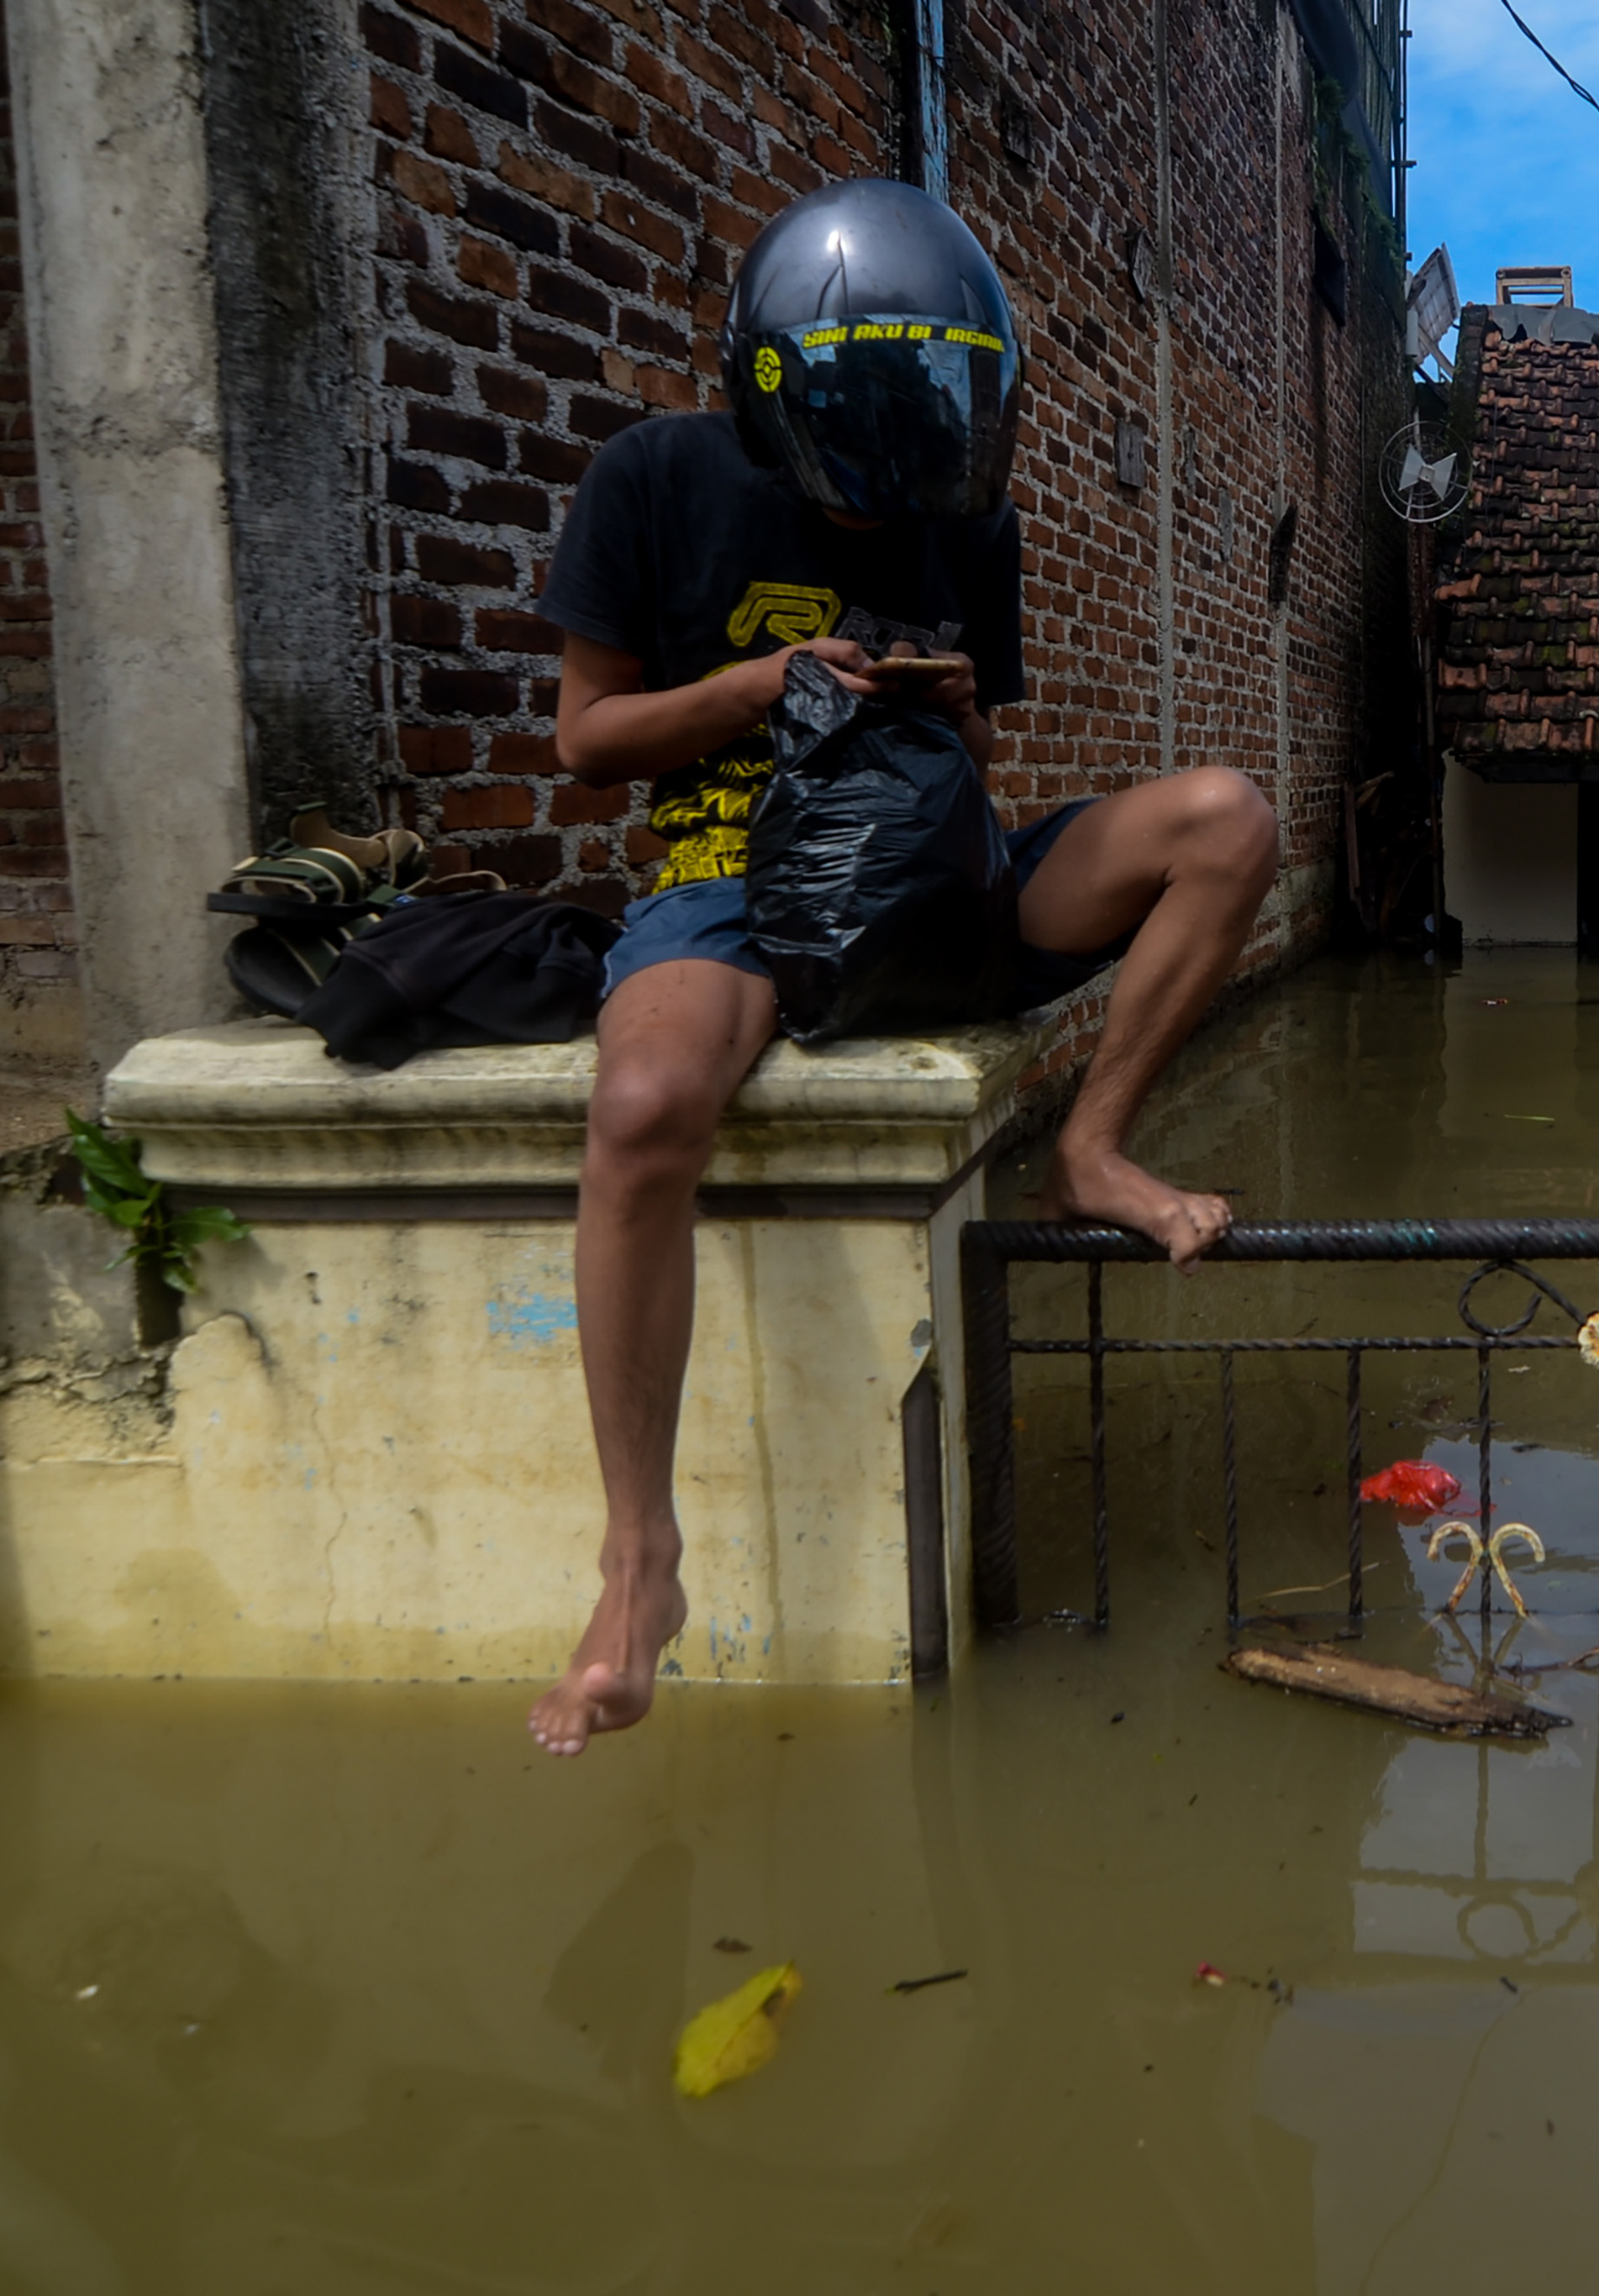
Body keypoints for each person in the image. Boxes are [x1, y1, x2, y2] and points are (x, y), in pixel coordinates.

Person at [525, 179, 1277, 1757]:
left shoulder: (967, 510)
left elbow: (981, 749)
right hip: (737, 872)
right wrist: (755, 685)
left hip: (935, 874)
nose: (896, 496)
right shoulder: (656, 479)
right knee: (650, 1099)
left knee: (1227, 818)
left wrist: (940, 703)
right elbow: (588, 740)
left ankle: (1088, 1147)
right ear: (786, 394)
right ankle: (636, 1560)